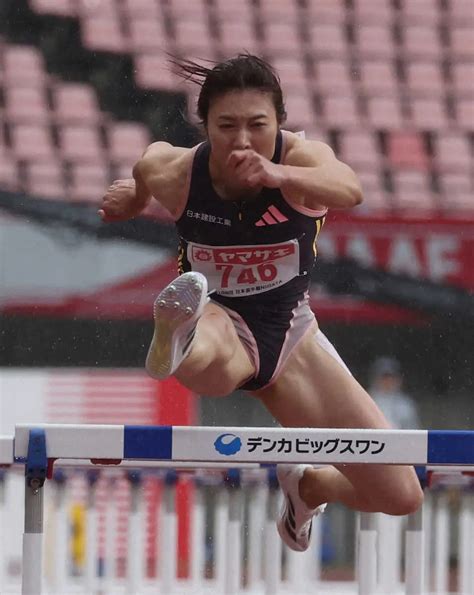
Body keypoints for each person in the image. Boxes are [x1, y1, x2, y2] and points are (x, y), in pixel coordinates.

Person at [99, 54, 423, 553]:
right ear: (205, 127)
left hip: (293, 335)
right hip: (218, 315)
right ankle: (177, 335)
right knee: (208, 357)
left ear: (280, 124)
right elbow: (146, 170)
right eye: (227, 126)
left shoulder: (302, 160)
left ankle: (308, 486)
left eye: (258, 125)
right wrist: (136, 199)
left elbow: (350, 189)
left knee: (402, 495)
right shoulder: (178, 173)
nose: (243, 140)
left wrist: (277, 175)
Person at [368, 357, 421, 430]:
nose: (387, 381)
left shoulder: (406, 405)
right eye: (384, 378)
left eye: (390, 377)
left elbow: (413, 431)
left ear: (398, 380)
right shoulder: (366, 401)